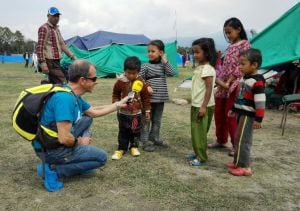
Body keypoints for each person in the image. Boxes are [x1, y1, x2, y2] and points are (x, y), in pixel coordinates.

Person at [31, 59, 128, 190]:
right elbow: (64, 138)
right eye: (94, 78)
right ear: (83, 80)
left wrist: (119, 104)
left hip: (52, 141)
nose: (97, 81)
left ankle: (76, 163)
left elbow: (93, 112)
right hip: (53, 150)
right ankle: (53, 169)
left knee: (87, 118)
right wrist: (78, 142)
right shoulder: (65, 99)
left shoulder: (70, 92)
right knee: (101, 158)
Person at [209, 17, 251, 156]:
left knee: (231, 114)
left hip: (234, 84)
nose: (228, 35)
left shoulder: (244, 45)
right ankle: (221, 140)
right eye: (226, 33)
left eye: (230, 32)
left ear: (239, 29)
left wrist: (230, 80)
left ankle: (235, 144)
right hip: (224, 84)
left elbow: (242, 64)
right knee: (219, 113)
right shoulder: (230, 46)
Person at [225, 49, 266, 176]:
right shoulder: (244, 78)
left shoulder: (257, 81)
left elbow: (260, 101)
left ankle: (245, 167)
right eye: (239, 63)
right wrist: (234, 109)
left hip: (248, 116)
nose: (240, 67)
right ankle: (238, 162)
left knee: (244, 140)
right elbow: (239, 96)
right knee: (238, 138)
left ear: (254, 65)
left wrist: (259, 119)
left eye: (243, 64)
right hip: (241, 113)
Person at [111, 56, 151, 160]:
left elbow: (146, 97)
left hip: (136, 113)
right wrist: (116, 103)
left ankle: (134, 146)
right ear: (124, 70)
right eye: (129, 73)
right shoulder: (120, 81)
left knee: (135, 130)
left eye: (134, 73)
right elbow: (115, 93)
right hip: (123, 112)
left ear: (138, 72)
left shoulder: (141, 82)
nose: (131, 75)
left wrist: (147, 110)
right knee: (123, 130)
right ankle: (121, 149)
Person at [139, 40, 175, 152]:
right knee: (146, 119)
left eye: (153, 51)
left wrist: (165, 60)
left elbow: (171, 73)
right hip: (148, 99)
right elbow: (139, 79)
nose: (149, 53)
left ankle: (154, 137)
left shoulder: (163, 65)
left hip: (160, 98)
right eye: (148, 51)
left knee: (157, 120)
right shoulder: (145, 66)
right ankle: (144, 140)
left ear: (161, 53)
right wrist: (147, 85)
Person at [186, 38, 217, 166]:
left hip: (201, 105)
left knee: (198, 132)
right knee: (198, 131)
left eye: (197, 52)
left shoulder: (207, 69)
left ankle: (201, 158)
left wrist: (203, 106)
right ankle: (198, 152)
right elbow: (215, 80)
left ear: (207, 53)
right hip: (198, 104)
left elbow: (209, 88)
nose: (195, 55)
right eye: (194, 52)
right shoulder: (202, 67)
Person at [36, 7, 76, 84]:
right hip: (49, 61)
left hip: (56, 61)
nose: (56, 18)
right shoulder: (44, 28)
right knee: (63, 83)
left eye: (58, 16)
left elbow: (62, 45)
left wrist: (73, 57)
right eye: (54, 16)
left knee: (56, 82)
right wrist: (43, 64)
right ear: (48, 16)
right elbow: (40, 47)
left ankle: (45, 85)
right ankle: (46, 85)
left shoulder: (56, 29)